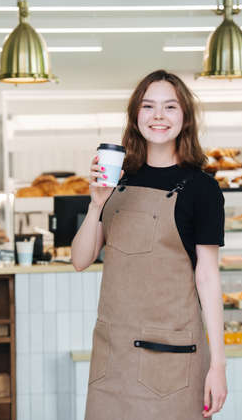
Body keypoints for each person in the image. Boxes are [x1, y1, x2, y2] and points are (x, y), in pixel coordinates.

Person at [71, 69, 227, 420]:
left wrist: (218, 364)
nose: (158, 116)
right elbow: (80, 259)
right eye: (148, 106)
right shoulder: (119, 181)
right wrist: (96, 202)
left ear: (184, 118)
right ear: (135, 116)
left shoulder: (202, 189)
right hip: (112, 362)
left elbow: (208, 278)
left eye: (170, 107)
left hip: (171, 364)